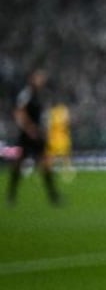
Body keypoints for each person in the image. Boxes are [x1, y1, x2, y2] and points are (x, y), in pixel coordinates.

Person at [6, 68, 63, 207]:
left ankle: (53, 196)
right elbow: (19, 112)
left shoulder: (41, 95)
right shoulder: (26, 94)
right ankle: (11, 195)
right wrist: (28, 128)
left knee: (45, 165)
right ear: (32, 78)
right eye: (39, 77)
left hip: (38, 134)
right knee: (19, 165)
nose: (42, 80)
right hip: (28, 135)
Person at [46, 101, 75, 181]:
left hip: (60, 137)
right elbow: (49, 125)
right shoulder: (56, 111)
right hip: (55, 137)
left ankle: (67, 172)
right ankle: (50, 173)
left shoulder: (61, 110)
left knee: (65, 155)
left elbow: (67, 122)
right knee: (52, 156)